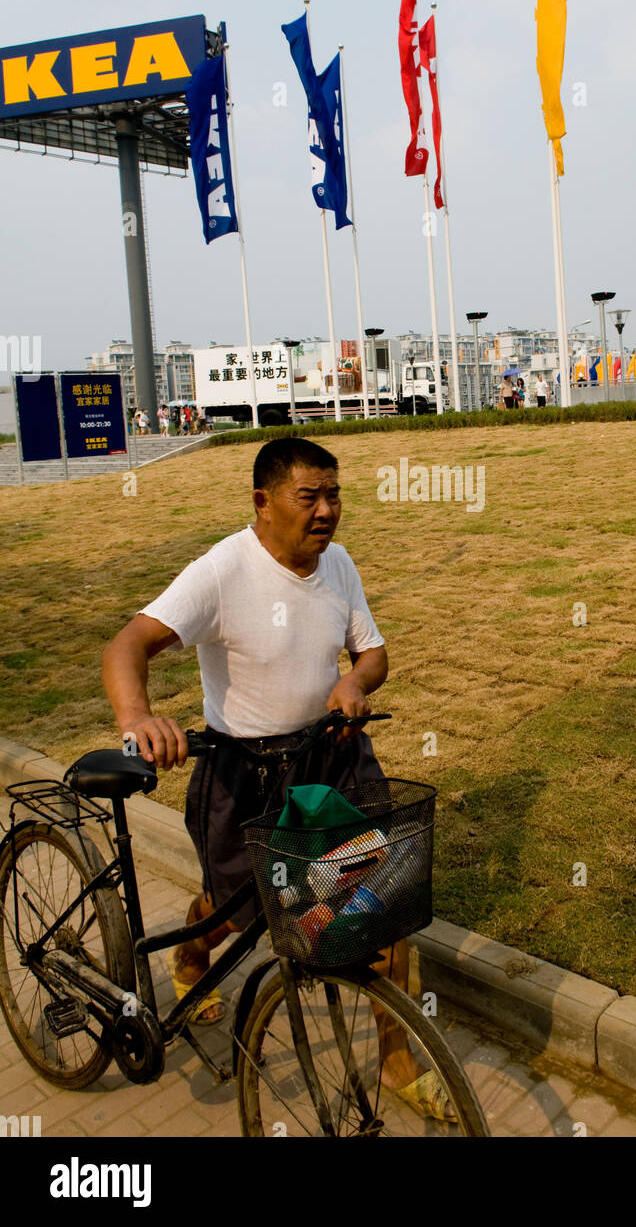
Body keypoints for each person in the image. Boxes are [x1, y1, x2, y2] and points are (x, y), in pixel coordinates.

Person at [101, 436, 455, 1121]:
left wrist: (354, 680)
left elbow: (373, 652)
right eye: (309, 496)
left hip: (333, 760)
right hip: (245, 774)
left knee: (382, 891)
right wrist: (138, 716)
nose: (326, 511)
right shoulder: (221, 571)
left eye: (334, 494)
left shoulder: (338, 563)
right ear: (263, 503)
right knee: (236, 912)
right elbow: (128, 644)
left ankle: (398, 1063)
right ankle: (191, 957)